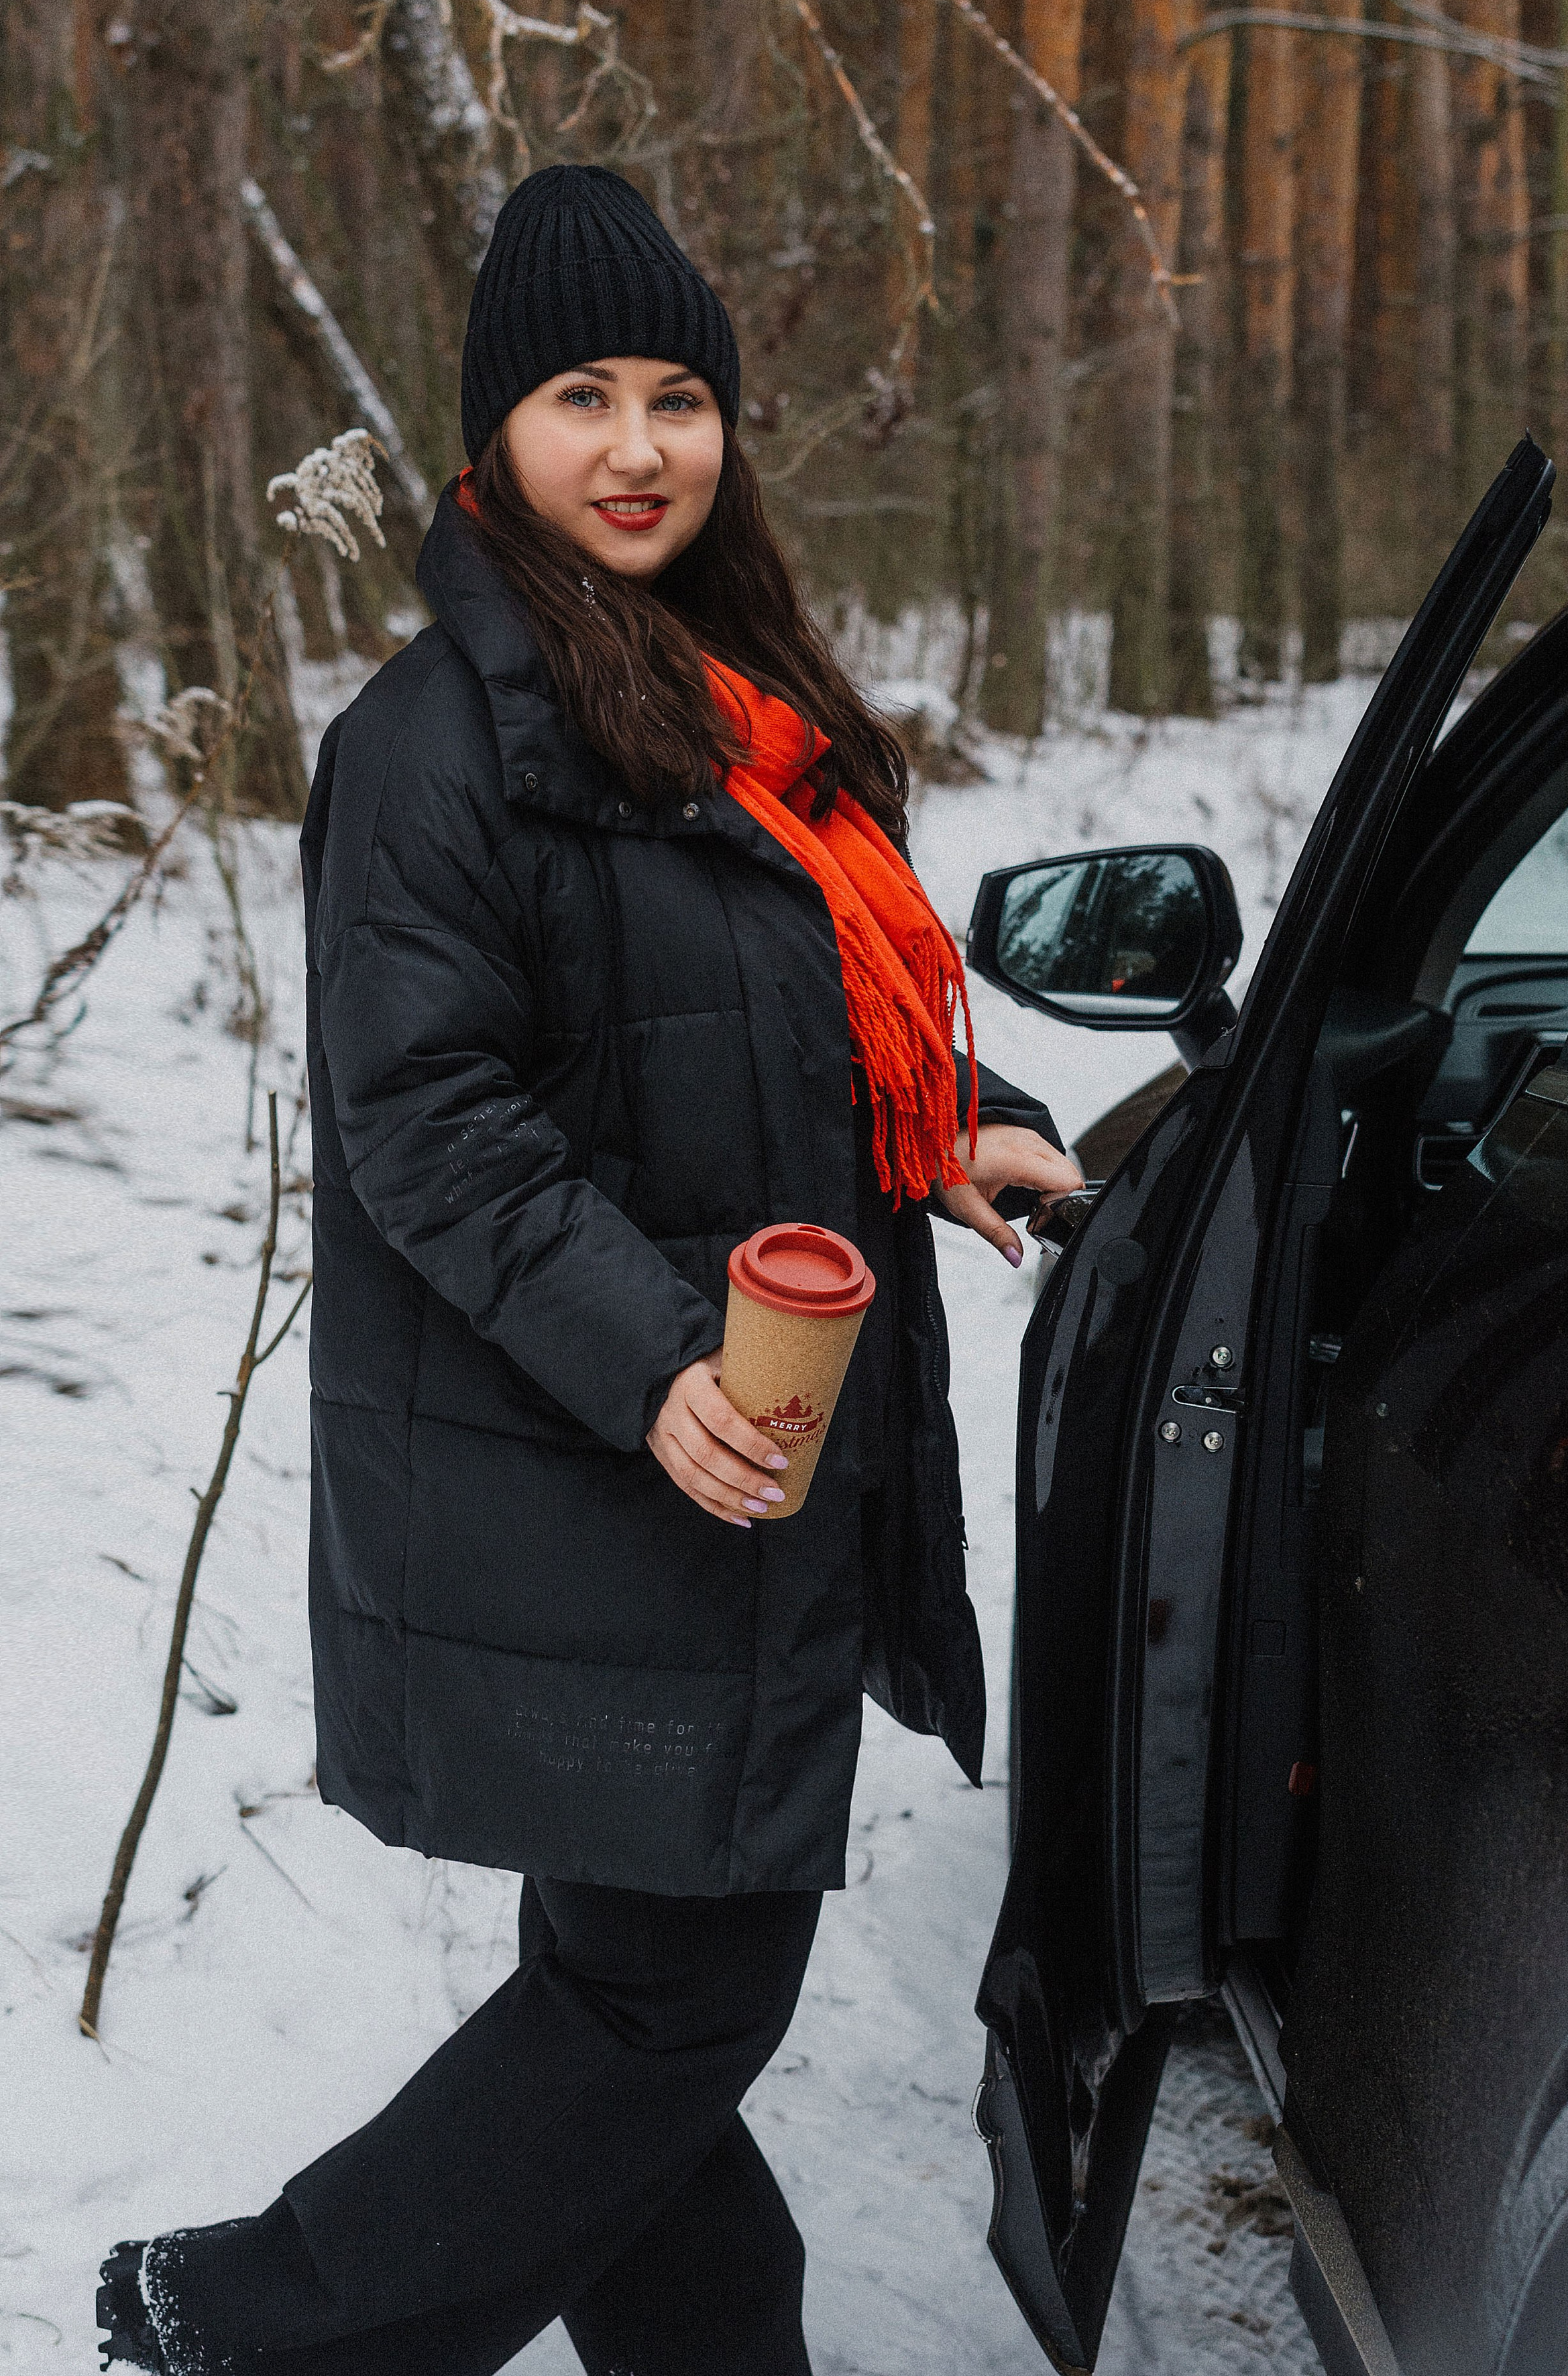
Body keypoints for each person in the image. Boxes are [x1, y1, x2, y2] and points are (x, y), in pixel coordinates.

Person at [99, 164, 1080, 2376]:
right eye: (578, 396)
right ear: (492, 434)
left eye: (676, 395)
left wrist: (957, 1111)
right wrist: (660, 1365)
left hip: (728, 1455)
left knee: (643, 1997)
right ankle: (265, 2322)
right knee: (676, 1994)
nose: (637, 447)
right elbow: (429, 1122)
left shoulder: (732, 692)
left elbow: (795, 996)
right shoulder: (439, 741)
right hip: (607, 1462)